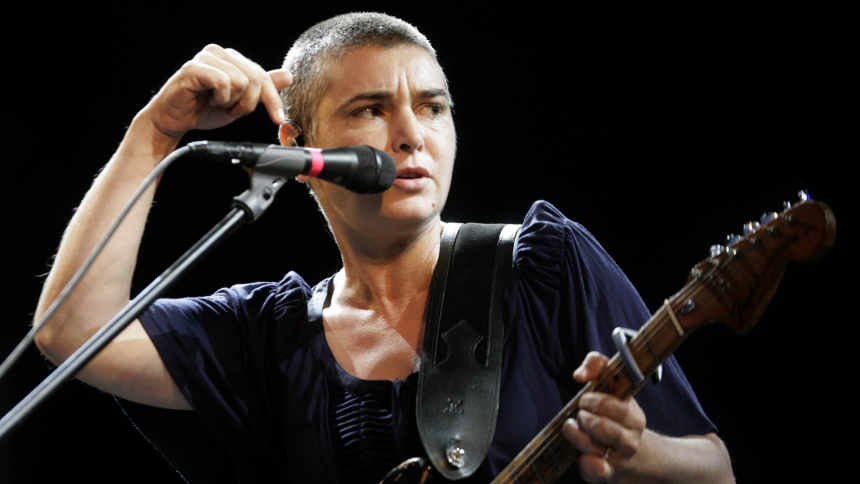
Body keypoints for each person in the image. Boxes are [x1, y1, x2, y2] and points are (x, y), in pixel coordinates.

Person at [34, 12, 734, 484]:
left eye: (432, 107)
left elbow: (716, 467)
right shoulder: (266, 336)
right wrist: (155, 133)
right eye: (371, 109)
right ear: (297, 146)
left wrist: (641, 454)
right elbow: (71, 331)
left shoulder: (545, 266)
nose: (411, 135)